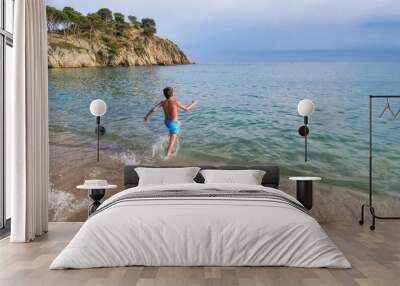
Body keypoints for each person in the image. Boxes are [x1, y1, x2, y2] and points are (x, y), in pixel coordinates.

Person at [144, 87, 198, 157]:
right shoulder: (175, 102)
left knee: (179, 123)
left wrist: (146, 116)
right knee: (172, 142)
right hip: (173, 124)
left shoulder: (162, 102)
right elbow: (186, 109)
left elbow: (154, 109)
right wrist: (193, 103)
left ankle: (168, 138)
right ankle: (167, 156)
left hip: (166, 122)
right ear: (173, 94)